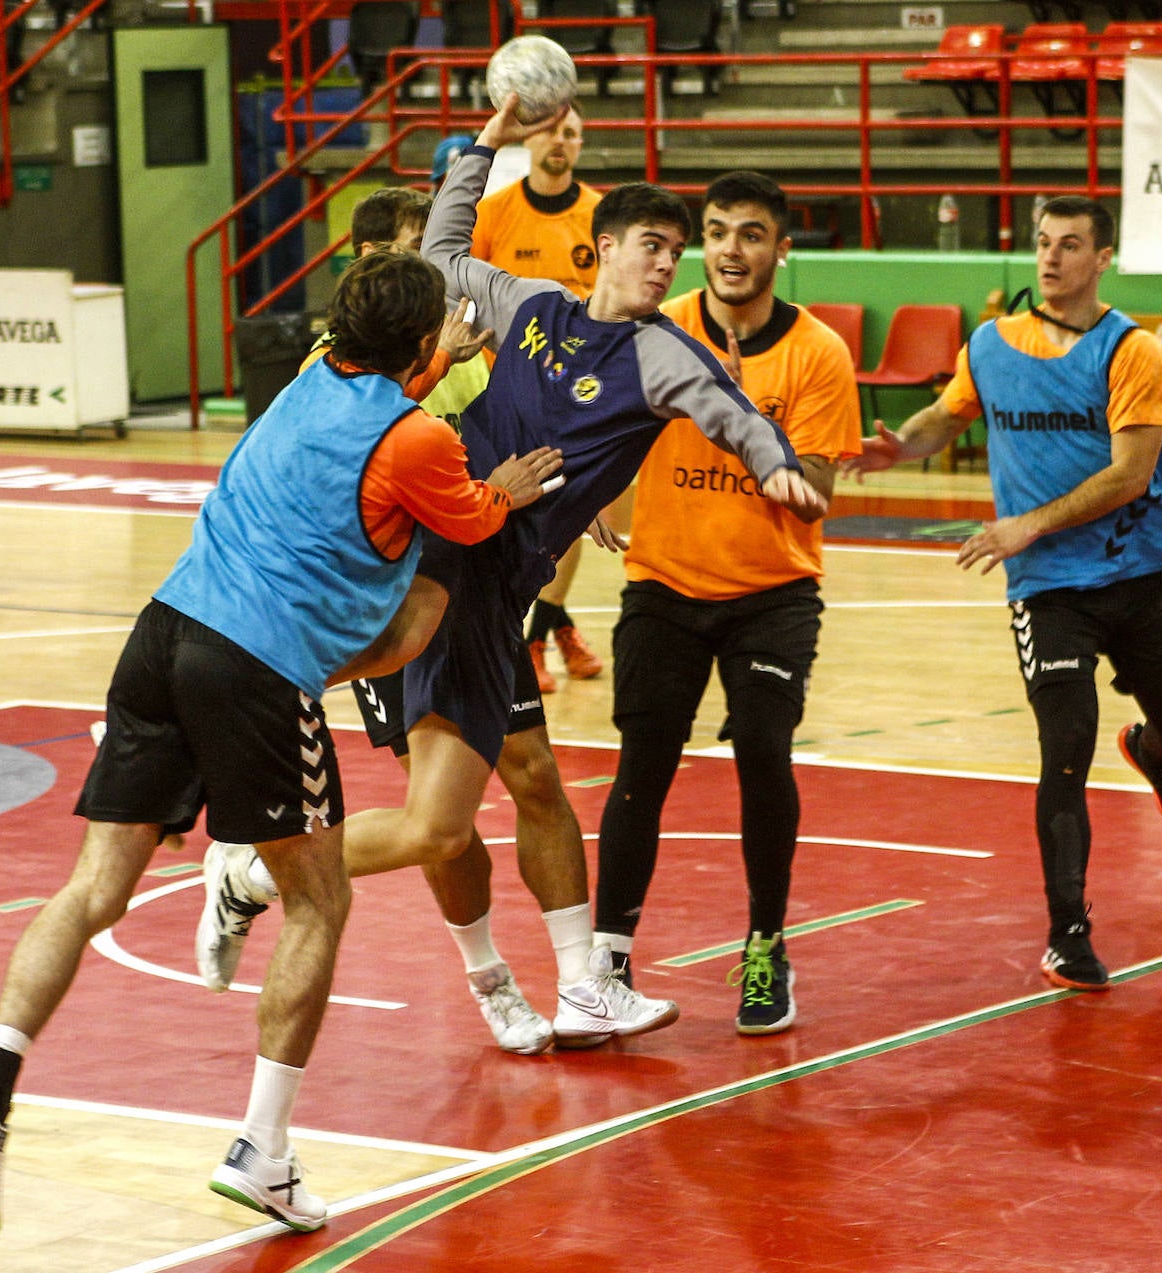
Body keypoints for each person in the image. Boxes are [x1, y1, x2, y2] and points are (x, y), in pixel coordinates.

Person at [0, 249, 559, 1239]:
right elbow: (467, 514)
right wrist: (511, 489)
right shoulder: (424, 442)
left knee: (94, 888)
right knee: (317, 896)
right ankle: (262, 1150)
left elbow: (384, 401)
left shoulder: (312, 375)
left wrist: (438, 359)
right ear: (424, 341)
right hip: (253, 665)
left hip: (162, 629)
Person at [202, 96, 827, 1051]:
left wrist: (773, 459)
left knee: (500, 793)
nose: (667, 263)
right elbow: (444, 257)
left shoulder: (663, 354)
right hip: (441, 552)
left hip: (499, 581)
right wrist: (481, 149)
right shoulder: (529, 307)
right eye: (651, 245)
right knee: (436, 827)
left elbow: (725, 408)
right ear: (604, 249)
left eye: (674, 251)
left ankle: (580, 983)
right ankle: (255, 868)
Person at [199, 185, 612, 1058]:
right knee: (442, 822)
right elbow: (433, 469)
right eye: (418, 247)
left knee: (533, 772)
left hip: (482, 590)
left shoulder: (461, 329)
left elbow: (515, 416)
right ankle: (485, 974)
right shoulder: (349, 358)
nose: (440, 262)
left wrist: (578, 490)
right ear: (375, 266)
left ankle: (585, 982)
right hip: (403, 595)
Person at [842, 194, 1162, 994]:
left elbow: (1129, 474)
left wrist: (1025, 524)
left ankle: (1156, 750)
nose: (1049, 258)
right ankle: (1067, 933)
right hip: (1048, 589)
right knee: (1065, 748)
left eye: (1069, 245)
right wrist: (897, 447)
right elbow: (949, 415)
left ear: (1101, 257)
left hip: (1132, 569)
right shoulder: (991, 343)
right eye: (1042, 243)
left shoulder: (1133, 351)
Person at [592, 171, 862, 1035]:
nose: (729, 250)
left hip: (772, 593)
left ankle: (765, 946)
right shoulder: (656, 330)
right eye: (716, 232)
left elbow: (815, 491)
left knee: (764, 758)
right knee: (642, 768)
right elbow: (602, 422)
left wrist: (740, 416)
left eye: (751, 234)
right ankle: (607, 958)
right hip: (664, 583)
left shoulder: (817, 352)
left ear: (782, 249)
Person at [472, 103, 605, 693]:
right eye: (553, 130)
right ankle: (555, 627)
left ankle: (535, 636)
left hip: (579, 396)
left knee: (566, 517)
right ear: (532, 139)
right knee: (515, 523)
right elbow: (466, 293)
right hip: (505, 391)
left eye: (572, 133)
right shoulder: (494, 213)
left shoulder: (603, 215)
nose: (562, 141)